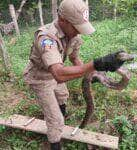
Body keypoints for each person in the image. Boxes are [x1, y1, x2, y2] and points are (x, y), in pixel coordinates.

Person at [23, 0, 125, 149]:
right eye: (76, 27)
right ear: (62, 19)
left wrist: (91, 72)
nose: (79, 31)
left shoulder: (73, 35)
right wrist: (95, 64)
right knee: (56, 119)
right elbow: (58, 74)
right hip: (40, 78)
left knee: (63, 96)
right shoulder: (46, 38)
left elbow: (74, 58)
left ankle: (59, 118)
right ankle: (55, 141)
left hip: (56, 73)